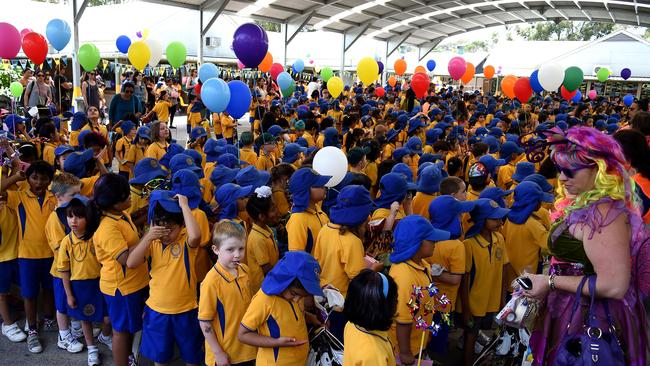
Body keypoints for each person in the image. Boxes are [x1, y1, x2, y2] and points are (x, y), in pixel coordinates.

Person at [524, 127, 649, 366]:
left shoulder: (604, 212)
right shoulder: (587, 202)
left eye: (570, 171)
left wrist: (548, 282)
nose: (561, 178)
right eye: (561, 170)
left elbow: (613, 285)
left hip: (593, 320)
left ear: (599, 169)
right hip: (575, 310)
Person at [126, 190, 203, 366]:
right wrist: (149, 236)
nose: (166, 234)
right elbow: (131, 262)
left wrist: (184, 205)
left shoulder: (185, 242)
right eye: (161, 228)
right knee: (160, 358)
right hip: (157, 310)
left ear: (182, 226)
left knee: (192, 356)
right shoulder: (153, 242)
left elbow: (196, 236)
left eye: (170, 229)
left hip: (186, 310)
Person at [87, 174, 148, 366]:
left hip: (134, 283)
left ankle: (128, 358)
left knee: (128, 328)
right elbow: (127, 259)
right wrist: (148, 238)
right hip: (121, 287)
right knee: (121, 331)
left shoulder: (122, 215)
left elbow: (131, 244)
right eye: (127, 195)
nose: (131, 198)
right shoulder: (107, 227)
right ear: (114, 202)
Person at [1, 160, 57, 354]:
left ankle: (49, 319)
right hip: (27, 256)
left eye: (44, 178)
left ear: (50, 180)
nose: (39, 182)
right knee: (30, 294)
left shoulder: (54, 198)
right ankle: (32, 329)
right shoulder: (19, 197)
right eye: (34, 178)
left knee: (50, 290)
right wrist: (16, 177)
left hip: (51, 254)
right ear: (28, 179)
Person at [313, 185, 377, 340]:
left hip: (322, 298)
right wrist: (374, 269)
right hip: (342, 304)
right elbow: (358, 280)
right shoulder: (352, 241)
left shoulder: (325, 228)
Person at [238, 251, 323, 366]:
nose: (297, 300)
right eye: (294, 293)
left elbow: (292, 314)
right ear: (284, 282)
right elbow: (243, 335)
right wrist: (277, 342)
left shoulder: (293, 296)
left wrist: (311, 318)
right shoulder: (264, 300)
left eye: (303, 296)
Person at [57, 195, 112, 366]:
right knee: (85, 319)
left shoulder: (96, 237)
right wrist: (69, 295)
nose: (73, 221)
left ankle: (105, 335)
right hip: (79, 286)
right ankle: (92, 349)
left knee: (107, 317)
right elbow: (64, 271)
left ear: (89, 217)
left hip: (100, 283)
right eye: (70, 216)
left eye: (79, 216)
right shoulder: (66, 242)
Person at [389, 215, 450, 365]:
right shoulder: (404, 276)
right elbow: (403, 320)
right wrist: (405, 353)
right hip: (404, 348)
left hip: (418, 339)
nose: (435, 243)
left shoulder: (423, 264)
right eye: (431, 240)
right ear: (417, 244)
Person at [199, 220, 258, 366]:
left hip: (249, 349)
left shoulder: (245, 270)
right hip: (227, 354)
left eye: (241, 249)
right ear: (216, 249)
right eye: (230, 250)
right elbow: (205, 322)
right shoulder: (211, 282)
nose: (237, 255)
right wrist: (218, 352)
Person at [460, 199, 510, 366]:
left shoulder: (499, 239)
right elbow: (465, 279)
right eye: (494, 219)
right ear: (482, 220)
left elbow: (504, 267)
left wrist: (503, 299)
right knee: (470, 336)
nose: (500, 222)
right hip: (474, 304)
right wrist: (466, 309)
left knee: (492, 335)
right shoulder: (468, 245)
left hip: (493, 301)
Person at [44, 173, 85, 354]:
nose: (78, 198)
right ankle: (63, 335)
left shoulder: (72, 214)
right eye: (73, 195)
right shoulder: (55, 219)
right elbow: (60, 248)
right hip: (61, 272)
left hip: (76, 268)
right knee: (61, 306)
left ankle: (76, 328)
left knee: (73, 301)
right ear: (59, 197)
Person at [502, 181, 553, 288]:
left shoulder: (510, 218)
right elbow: (550, 245)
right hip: (528, 277)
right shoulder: (533, 224)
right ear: (533, 203)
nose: (541, 202)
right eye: (539, 200)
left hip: (512, 272)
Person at [343, 270, 398, 366]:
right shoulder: (374, 355)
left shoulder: (351, 325)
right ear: (385, 307)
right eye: (395, 298)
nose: (398, 301)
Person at [245, 186, 281, 294]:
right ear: (261, 216)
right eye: (273, 210)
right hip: (264, 287)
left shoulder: (266, 229)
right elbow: (266, 269)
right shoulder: (257, 238)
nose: (277, 212)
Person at [286, 168, 330, 253]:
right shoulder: (298, 219)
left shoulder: (318, 210)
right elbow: (297, 257)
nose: (324, 188)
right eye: (319, 186)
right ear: (305, 191)